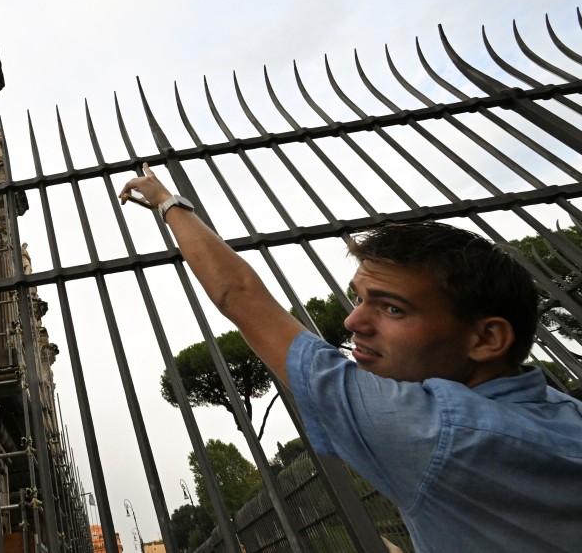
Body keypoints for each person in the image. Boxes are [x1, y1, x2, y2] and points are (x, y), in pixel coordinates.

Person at [119, 164, 582, 553]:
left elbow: (239, 295)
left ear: (487, 338)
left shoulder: (431, 431)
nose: (353, 323)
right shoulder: (566, 414)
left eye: (392, 308)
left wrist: (166, 201)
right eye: (359, 299)